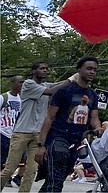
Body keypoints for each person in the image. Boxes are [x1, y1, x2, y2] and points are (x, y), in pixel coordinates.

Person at [0, 62, 72, 192]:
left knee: (31, 171)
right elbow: (51, 91)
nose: (45, 70)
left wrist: (74, 78)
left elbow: (57, 85)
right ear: (34, 71)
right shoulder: (28, 84)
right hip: (21, 132)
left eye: (46, 68)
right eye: (41, 68)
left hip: (38, 133)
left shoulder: (46, 85)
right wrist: (72, 79)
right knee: (10, 168)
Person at [34, 56, 102, 192]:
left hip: (77, 140)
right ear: (79, 70)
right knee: (56, 180)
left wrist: (98, 128)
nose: (92, 72)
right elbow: (49, 117)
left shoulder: (92, 95)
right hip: (58, 138)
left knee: (55, 178)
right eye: (89, 68)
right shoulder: (65, 91)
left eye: (94, 70)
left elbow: (94, 117)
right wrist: (41, 145)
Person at [1, 76, 25, 171]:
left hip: (13, 134)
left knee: (10, 159)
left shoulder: (21, 99)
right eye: (20, 82)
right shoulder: (3, 98)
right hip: (2, 132)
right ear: (12, 84)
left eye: (23, 82)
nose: (22, 85)